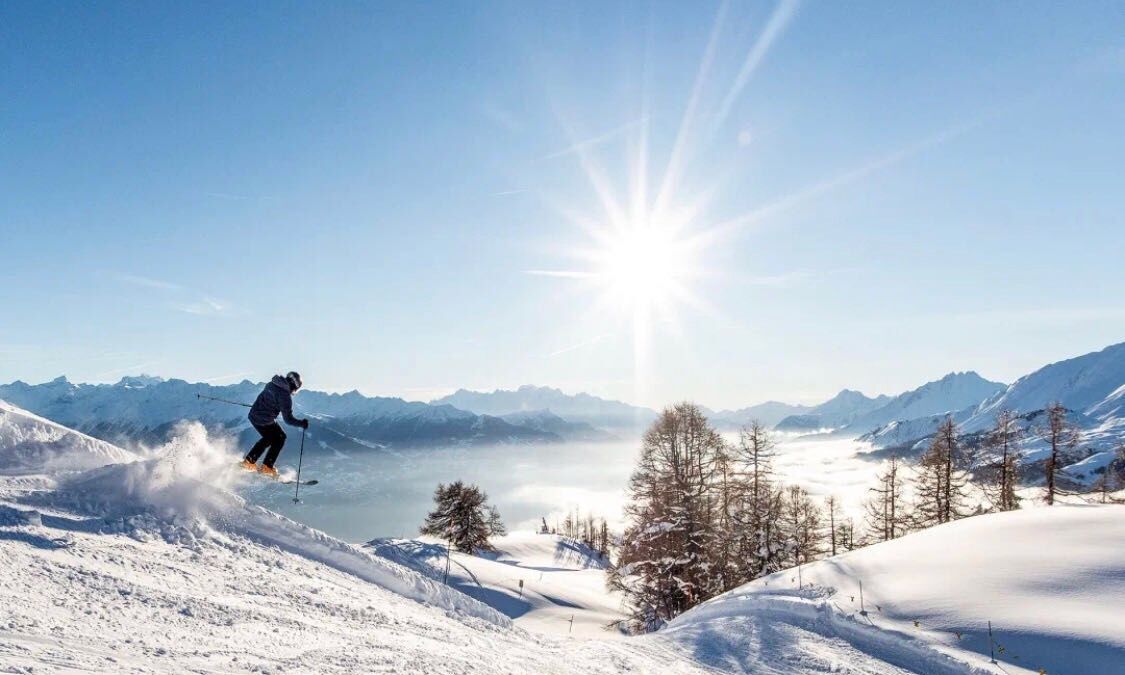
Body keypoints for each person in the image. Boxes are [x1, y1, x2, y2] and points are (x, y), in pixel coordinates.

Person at [241, 371, 309, 477]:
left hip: (254, 415)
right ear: (293, 385)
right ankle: (266, 467)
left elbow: (266, 399)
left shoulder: (272, 384)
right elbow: (288, 419)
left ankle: (249, 462)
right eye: (296, 388)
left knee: (269, 438)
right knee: (280, 437)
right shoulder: (285, 396)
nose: (294, 391)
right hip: (264, 419)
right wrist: (301, 423)